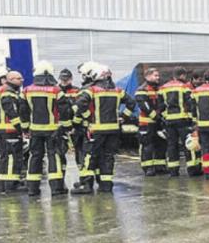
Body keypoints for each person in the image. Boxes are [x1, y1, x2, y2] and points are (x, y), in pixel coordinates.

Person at [72, 65, 136, 194]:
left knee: (89, 156)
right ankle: (106, 185)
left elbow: (78, 105)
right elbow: (131, 103)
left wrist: (88, 117)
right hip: (113, 130)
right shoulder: (118, 91)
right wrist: (124, 117)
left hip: (96, 130)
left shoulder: (92, 90)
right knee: (107, 156)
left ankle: (87, 185)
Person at [0, 70, 27, 192]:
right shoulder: (8, 93)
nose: (21, 81)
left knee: (5, 157)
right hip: (9, 130)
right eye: (18, 78)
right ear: (10, 79)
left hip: (2, 129)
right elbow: (11, 112)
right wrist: (20, 128)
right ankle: (11, 184)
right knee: (12, 157)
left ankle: (5, 183)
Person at [158, 68, 196, 177]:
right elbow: (190, 104)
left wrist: (165, 116)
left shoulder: (163, 88)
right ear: (182, 75)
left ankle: (173, 170)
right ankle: (192, 169)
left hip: (169, 121)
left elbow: (160, 106)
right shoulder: (185, 87)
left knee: (171, 145)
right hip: (183, 120)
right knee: (188, 144)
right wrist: (192, 118)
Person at [135, 68, 167, 176]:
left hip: (158, 122)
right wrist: (155, 116)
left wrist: (161, 116)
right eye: (155, 75)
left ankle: (160, 166)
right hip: (147, 123)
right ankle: (148, 168)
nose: (158, 77)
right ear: (147, 76)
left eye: (158, 75)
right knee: (147, 146)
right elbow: (144, 106)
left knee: (161, 144)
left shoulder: (160, 89)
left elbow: (163, 103)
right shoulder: (142, 89)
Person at [57, 68, 80, 177]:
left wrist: (75, 124)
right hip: (59, 126)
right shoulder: (56, 90)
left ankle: (83, 177)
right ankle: (61, 176)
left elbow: (80, 108)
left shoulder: (77, 91)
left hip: (75, 125)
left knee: (79, 151)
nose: (65, 81)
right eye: (63, 79)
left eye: (67, 79)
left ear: (71, 79)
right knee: (60, 152)